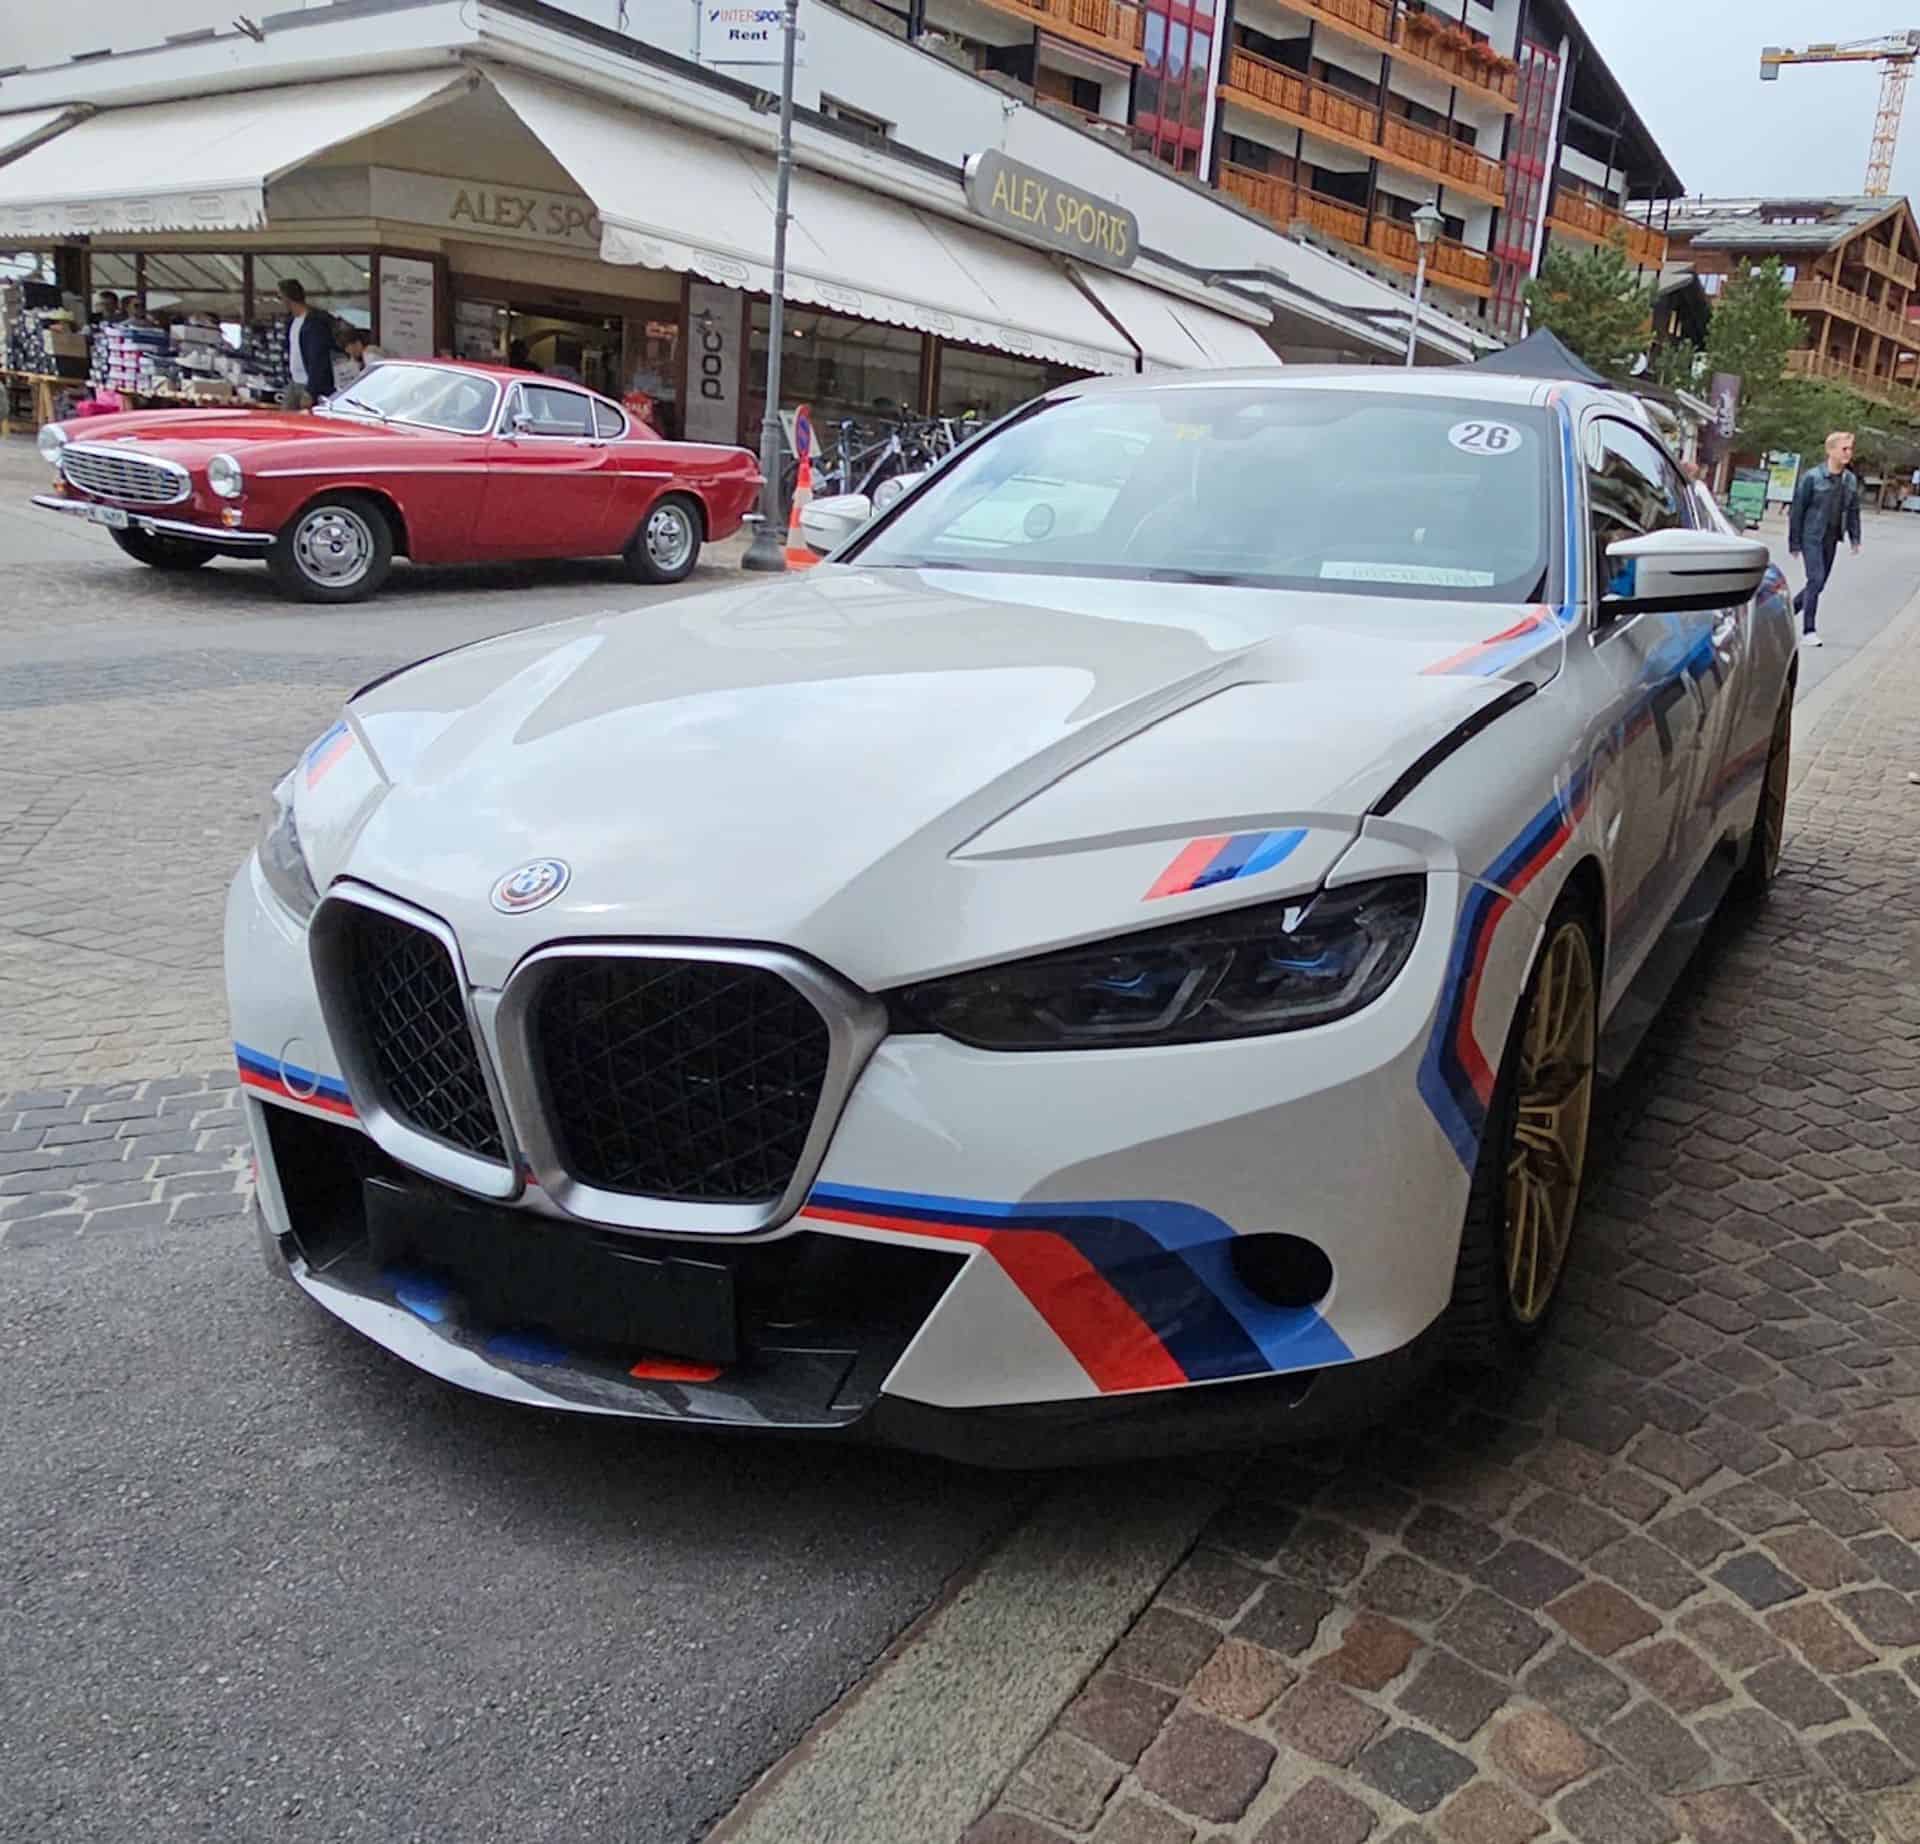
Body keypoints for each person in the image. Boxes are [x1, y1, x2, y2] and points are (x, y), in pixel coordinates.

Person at [1787, 431, 1861, 649]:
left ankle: (1787, 611)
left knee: (1818, 584)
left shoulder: (1849, 480)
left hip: (1832, 536)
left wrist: (1855, 537)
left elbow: (1853, 510)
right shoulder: (1812, 477)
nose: (1848, 453)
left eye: (1850, 449)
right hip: (1811, 535)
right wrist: (1794, 542)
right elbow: (1797, 510)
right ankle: (1809, 630)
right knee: (1816, 579)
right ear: (1830, 450)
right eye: (1844, 448)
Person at [278, 278, 335, 410]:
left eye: (281, 297)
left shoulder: (314, 323)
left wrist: (311, 390)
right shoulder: (291, 321)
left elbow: (318, 359)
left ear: (288, 298)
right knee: (284, 417)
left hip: (308, 384)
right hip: (294, 381)